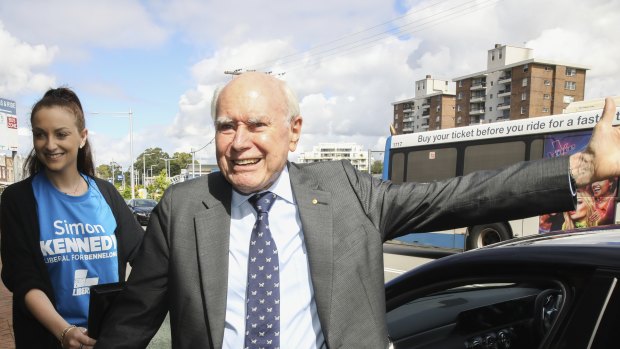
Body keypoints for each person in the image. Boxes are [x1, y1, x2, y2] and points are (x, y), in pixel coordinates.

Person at [94, 72, 620, 349]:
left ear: (293, 130)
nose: (239, 143)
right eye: (226, 126)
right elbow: (131, 326)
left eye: (256, 125)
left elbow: (458, 195)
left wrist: (581, 167)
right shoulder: (183, 208)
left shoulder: (348, 192)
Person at [0, 87, 144, 349]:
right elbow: (23, 279)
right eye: (40, 134)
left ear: (82, 137)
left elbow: (145, 258)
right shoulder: (17, 199)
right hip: (49, 339)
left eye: (61, 134)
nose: (50, 144)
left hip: (108, 339)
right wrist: (64, 332)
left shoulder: (106, 194)